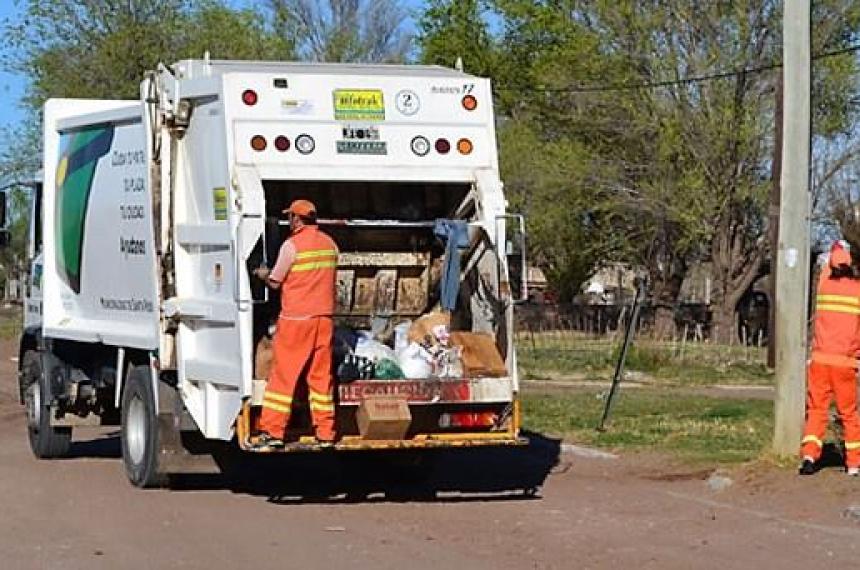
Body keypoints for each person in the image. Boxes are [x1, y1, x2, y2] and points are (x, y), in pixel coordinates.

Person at [251, 199, 339, 450]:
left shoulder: (291, 246)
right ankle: (325, 433)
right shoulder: (330, 244)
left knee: (283, 377)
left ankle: (273, 431)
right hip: (324, 320)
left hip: (296, 321)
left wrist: (261, 273)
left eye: (290, 217)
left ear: (297, 219)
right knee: (321, 379)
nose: (289, 221)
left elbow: (276, 282)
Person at [799, 240, 860, 476]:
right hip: (845, 362)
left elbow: (824, 264)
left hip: (820, 360)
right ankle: (854, 463)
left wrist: (835, 249)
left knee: (816, 410)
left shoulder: (823, 285)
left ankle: (809, 456)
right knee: (849, 414)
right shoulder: (857, 290)